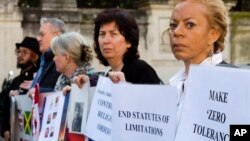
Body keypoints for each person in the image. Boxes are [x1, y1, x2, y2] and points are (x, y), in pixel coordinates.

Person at [167, 0, 232, 124]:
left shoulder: (232, 85)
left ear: (213, 34)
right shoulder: (175, 83)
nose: (176, 32)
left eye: (190, 25)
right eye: (173, 25)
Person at [74, 8, 162, 87]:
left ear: (129, 41)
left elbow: (155, 103)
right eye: (102, 34)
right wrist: (81, 90)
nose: (106, 40)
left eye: (113, 34)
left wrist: (124, 87)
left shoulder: (141, 71)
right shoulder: (108, 75)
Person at [0, 37, 41, 140]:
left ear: (34, 56)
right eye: (19, 52)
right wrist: (5, 129)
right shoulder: (15, 81)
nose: (20, 55)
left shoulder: (38, 78)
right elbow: (5, 107)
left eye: (24, 52)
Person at [21, 17, 66, 93]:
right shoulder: (45, 59)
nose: (38, 39)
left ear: (56, 35)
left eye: (42, 35)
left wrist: (38, 91)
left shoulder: (63, 59)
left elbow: (64, 91)